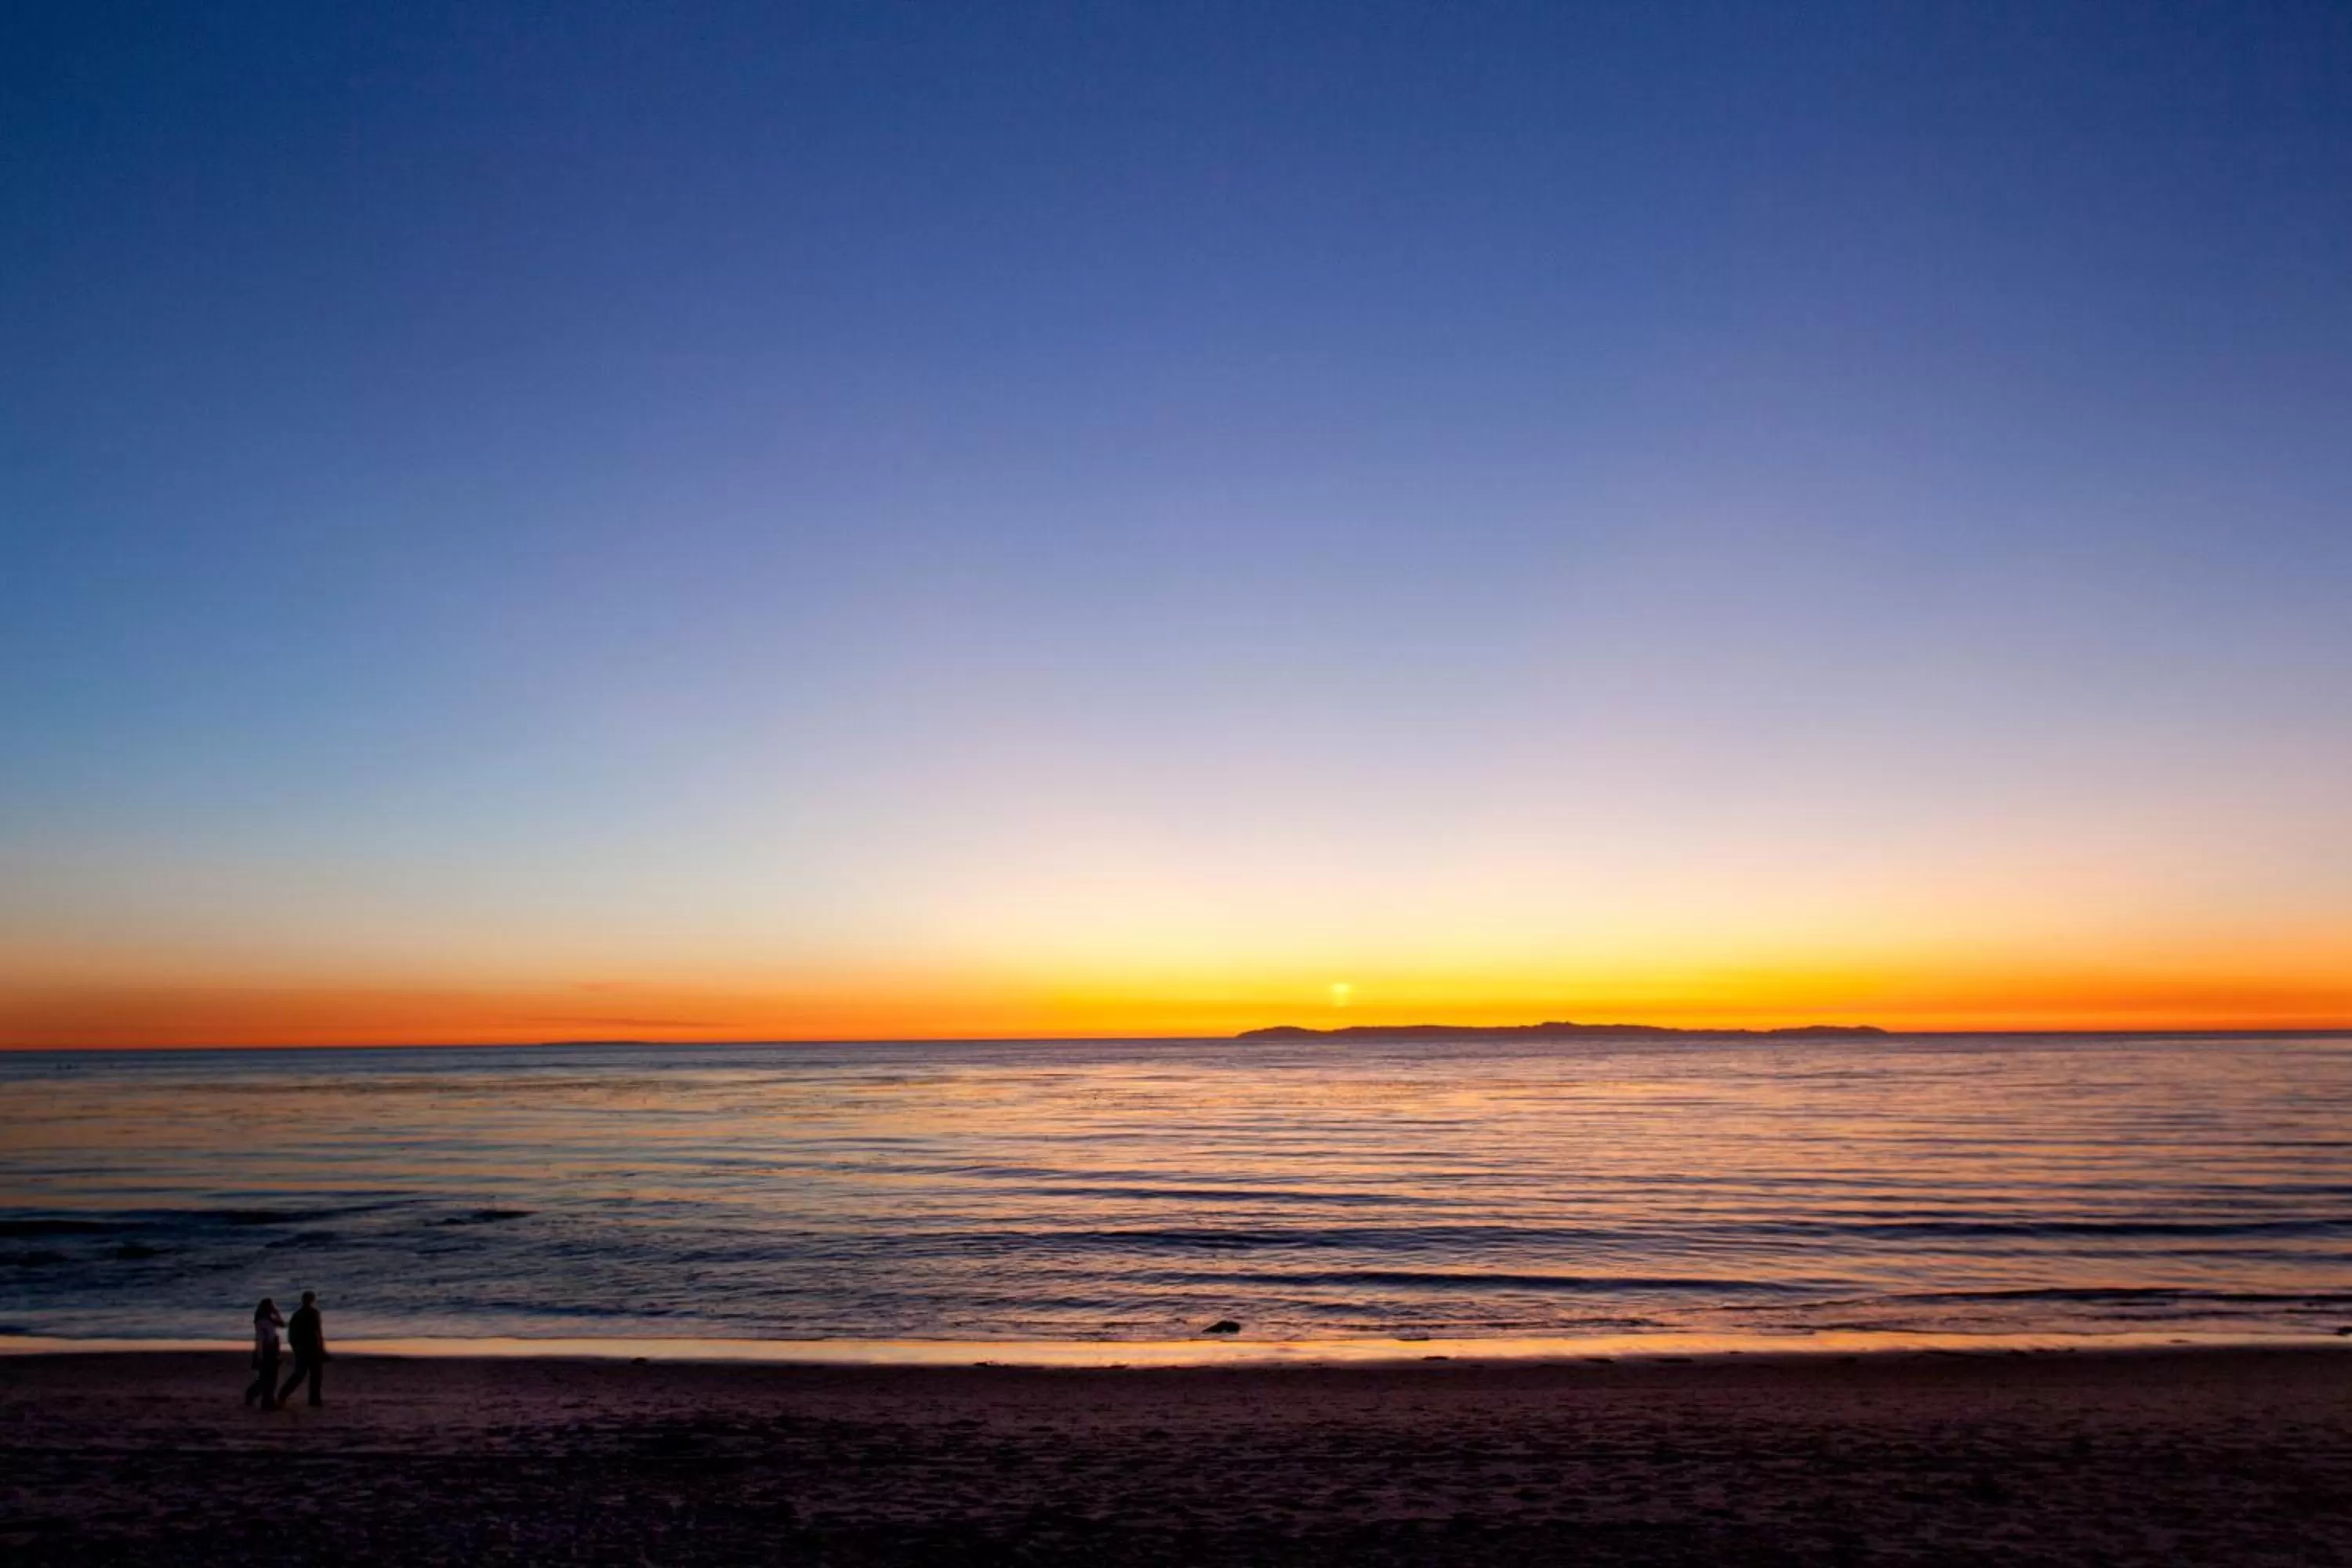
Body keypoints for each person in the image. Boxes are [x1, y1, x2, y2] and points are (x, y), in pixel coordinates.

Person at [277, 1290, 329, 1408]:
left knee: (304, 1374)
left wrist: (295, 1346)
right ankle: (313, 1399)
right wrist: (321, 1347)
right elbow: (318, 1332)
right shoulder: (311, 1313)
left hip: (304, 1347)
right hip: (310, 1347)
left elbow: (292, 1333)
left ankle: (285, 1394)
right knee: (311, 1375)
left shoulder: (298, 1314)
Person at [243, 1298, 284, 1408]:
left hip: (272, 1349)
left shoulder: (270, 1320)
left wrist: (277, 1313)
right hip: (267, 1350)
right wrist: (260, 1354)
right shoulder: (261, 1322)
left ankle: (262, 1398)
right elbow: (260, 1339)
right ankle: (263, 1398)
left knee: (270, 1377)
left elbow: (282, 1324)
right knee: (267, 1377)